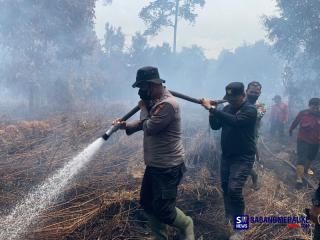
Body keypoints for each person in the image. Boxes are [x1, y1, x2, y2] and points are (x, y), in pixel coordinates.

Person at [113, 66, 194, 240]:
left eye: (143, 87)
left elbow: (149, 126)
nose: (141, 92)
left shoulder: (168, 105)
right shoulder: (155, 102)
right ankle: (160, 237)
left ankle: (187, 224)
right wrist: (125, 126)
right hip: (154, 165)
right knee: (148, 203)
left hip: (168, 167)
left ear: (152, 85)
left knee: (164, 210)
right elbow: (145, 121)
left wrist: (143, 107)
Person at [201, 82, 257, 240]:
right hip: (227, 155)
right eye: (229, 98)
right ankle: (229, 217)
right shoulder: (227, 108)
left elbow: (236, 122)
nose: (231, 101)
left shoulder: (250, 109)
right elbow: (215, 126)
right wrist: (212, 113)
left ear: (243, 96)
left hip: (243, 157)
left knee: (234, 189)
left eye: (234, 98)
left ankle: (240, 229)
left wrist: (212, 108)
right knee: (225, 187)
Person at [289, 98, 320, 189]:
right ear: (309, 105)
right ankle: (299, 179)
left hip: (316, 141)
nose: (315, 107)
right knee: (302, 158)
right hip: (303, 139)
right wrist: (291, 129)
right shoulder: (303, 113)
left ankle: (305, 170)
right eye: (313, 105)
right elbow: (295, 122)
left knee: (311, 157)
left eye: (317, 105)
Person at [246, 81, 266, 191]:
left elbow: (254, 116)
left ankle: (254, 178)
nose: (253, 94)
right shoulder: (239, 102)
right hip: (235, 136)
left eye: (256, 92)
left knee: (248, 161)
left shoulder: (261, 106)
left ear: (260, 93)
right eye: (251, 92)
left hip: (251, 136)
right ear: (246, 91)